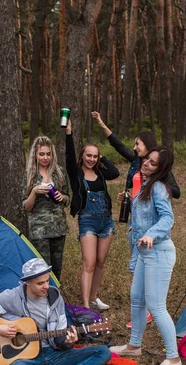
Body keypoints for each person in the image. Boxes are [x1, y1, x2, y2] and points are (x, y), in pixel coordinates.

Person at [92, 111, 181, 327]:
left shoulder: (156, 168)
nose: (134, 147)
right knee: (135, 266)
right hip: (134, 221)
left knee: (144, 267)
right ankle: (141, 313)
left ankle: (149, 311)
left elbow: (175, 191)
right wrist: (101, 124)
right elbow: (117, 144)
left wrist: (154, 188)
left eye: (138, 144)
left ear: (148, 146)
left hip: (149, 226)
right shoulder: (135, 162)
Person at [109, 147, 182, 365]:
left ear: (161, 169)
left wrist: (152, 234)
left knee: (156, 306)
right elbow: (144, 215)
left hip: (158, 251)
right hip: (144, 252)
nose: (147, 164)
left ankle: (173, 357)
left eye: (153, 163)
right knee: (137, 299)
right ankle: (134, 345)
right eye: (147, 160)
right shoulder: (146, 186)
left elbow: (167, 218)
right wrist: (130, 201)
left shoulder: (159, 188)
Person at [65, 119, 120, 311]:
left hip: (106, 222)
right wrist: (69, 134)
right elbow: (70, 157)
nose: (91, 159)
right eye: (88, 156)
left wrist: (103, 158)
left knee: (100, 262)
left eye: (95, 156)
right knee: (88, 263)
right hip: (87, 221)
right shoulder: (76, 174)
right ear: (82, 156)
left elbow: (115, 172)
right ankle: (87, 305)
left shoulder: (101, 174)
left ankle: (95, 297)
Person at [22, 136, 71, 280]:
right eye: (41, 154)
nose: (45, 157)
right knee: (42, 269)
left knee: (56, 268)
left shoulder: (59, 172)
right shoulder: (30, 175)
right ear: (35, 155)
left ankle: (54, 296)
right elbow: (26, 206)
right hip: (39, 230)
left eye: (48, 154)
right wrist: (34, 192)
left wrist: (63, 197)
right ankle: (42, 299)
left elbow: (68, 198)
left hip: (58, 228)